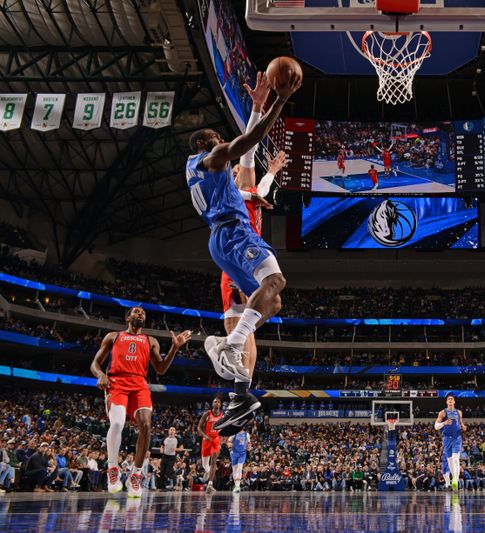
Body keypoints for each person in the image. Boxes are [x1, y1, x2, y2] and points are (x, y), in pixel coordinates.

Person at [188, 67, 301, 429]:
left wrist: (256, 106)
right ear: (207, 145)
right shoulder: (215, 164)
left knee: (273, 302)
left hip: (227, 245)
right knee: (275, 285)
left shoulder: (216, 180)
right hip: (237, 239)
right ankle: (227, 346)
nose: (224, 141)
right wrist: (278, 100)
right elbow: (247, 146)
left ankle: (238, 395)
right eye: (218, 138)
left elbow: (249, 161)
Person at [220, 80, 288, 434]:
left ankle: (239, 394)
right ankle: (239, 396)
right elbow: (247, 158)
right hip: (233, 255)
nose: (239, 170)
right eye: (232, 172)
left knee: (260, 310)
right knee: (240, 327)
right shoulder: (233, 190)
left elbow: (250, 161)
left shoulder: (248, 188)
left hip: (245, 254)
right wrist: (258, 108)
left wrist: (272, 175)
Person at [90, 306, 191, 497]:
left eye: (143, 313)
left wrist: (174, 348)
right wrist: (100, 374)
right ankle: (113, 469)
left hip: (139, 384)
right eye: (136, 312)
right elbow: (94, 363)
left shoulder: (150, 341)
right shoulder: (113, 336)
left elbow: (160, 369)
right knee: (118, 423)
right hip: (117, 382)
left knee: (146, 426)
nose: (140, 314)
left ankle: (135, 475)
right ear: (128, 317)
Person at [435, 393, 466, 491]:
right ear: (446, 402)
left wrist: (463, 427)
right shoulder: (442, 413)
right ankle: (453, 480)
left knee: (456, 459)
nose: (450, 400)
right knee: (450, 461)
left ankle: (455, 480)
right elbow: (436, 426)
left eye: (452, 399)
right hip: (447, 439)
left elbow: (461, 423)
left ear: (454, 401)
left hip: (457, 437)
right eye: (449, 399)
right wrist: (444, 423)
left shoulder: (459, 412)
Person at [198, 395, 224, 493]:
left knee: (214, 461)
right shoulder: (207, 414)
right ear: (212, 404)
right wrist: (204, 436)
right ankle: (208, 471)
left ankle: (210, 484)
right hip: (207, 439)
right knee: (205, 464)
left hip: (216, 439)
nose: (216, 403)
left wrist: (223, 439)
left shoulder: (222, 416)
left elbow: (225, 428)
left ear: (220, 405)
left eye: (218, 402)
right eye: (215, 401)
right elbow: (199, 428)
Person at [229, 425, 250, 493]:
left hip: (242, 453)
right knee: (234, 469)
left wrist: (249, 447)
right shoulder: (234, 433)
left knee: (239, 468)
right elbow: (229, 441)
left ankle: (238, 486)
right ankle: (236, 485)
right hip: (234, 453)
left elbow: (249, 443)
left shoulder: (246, 434)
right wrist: (230, 445)